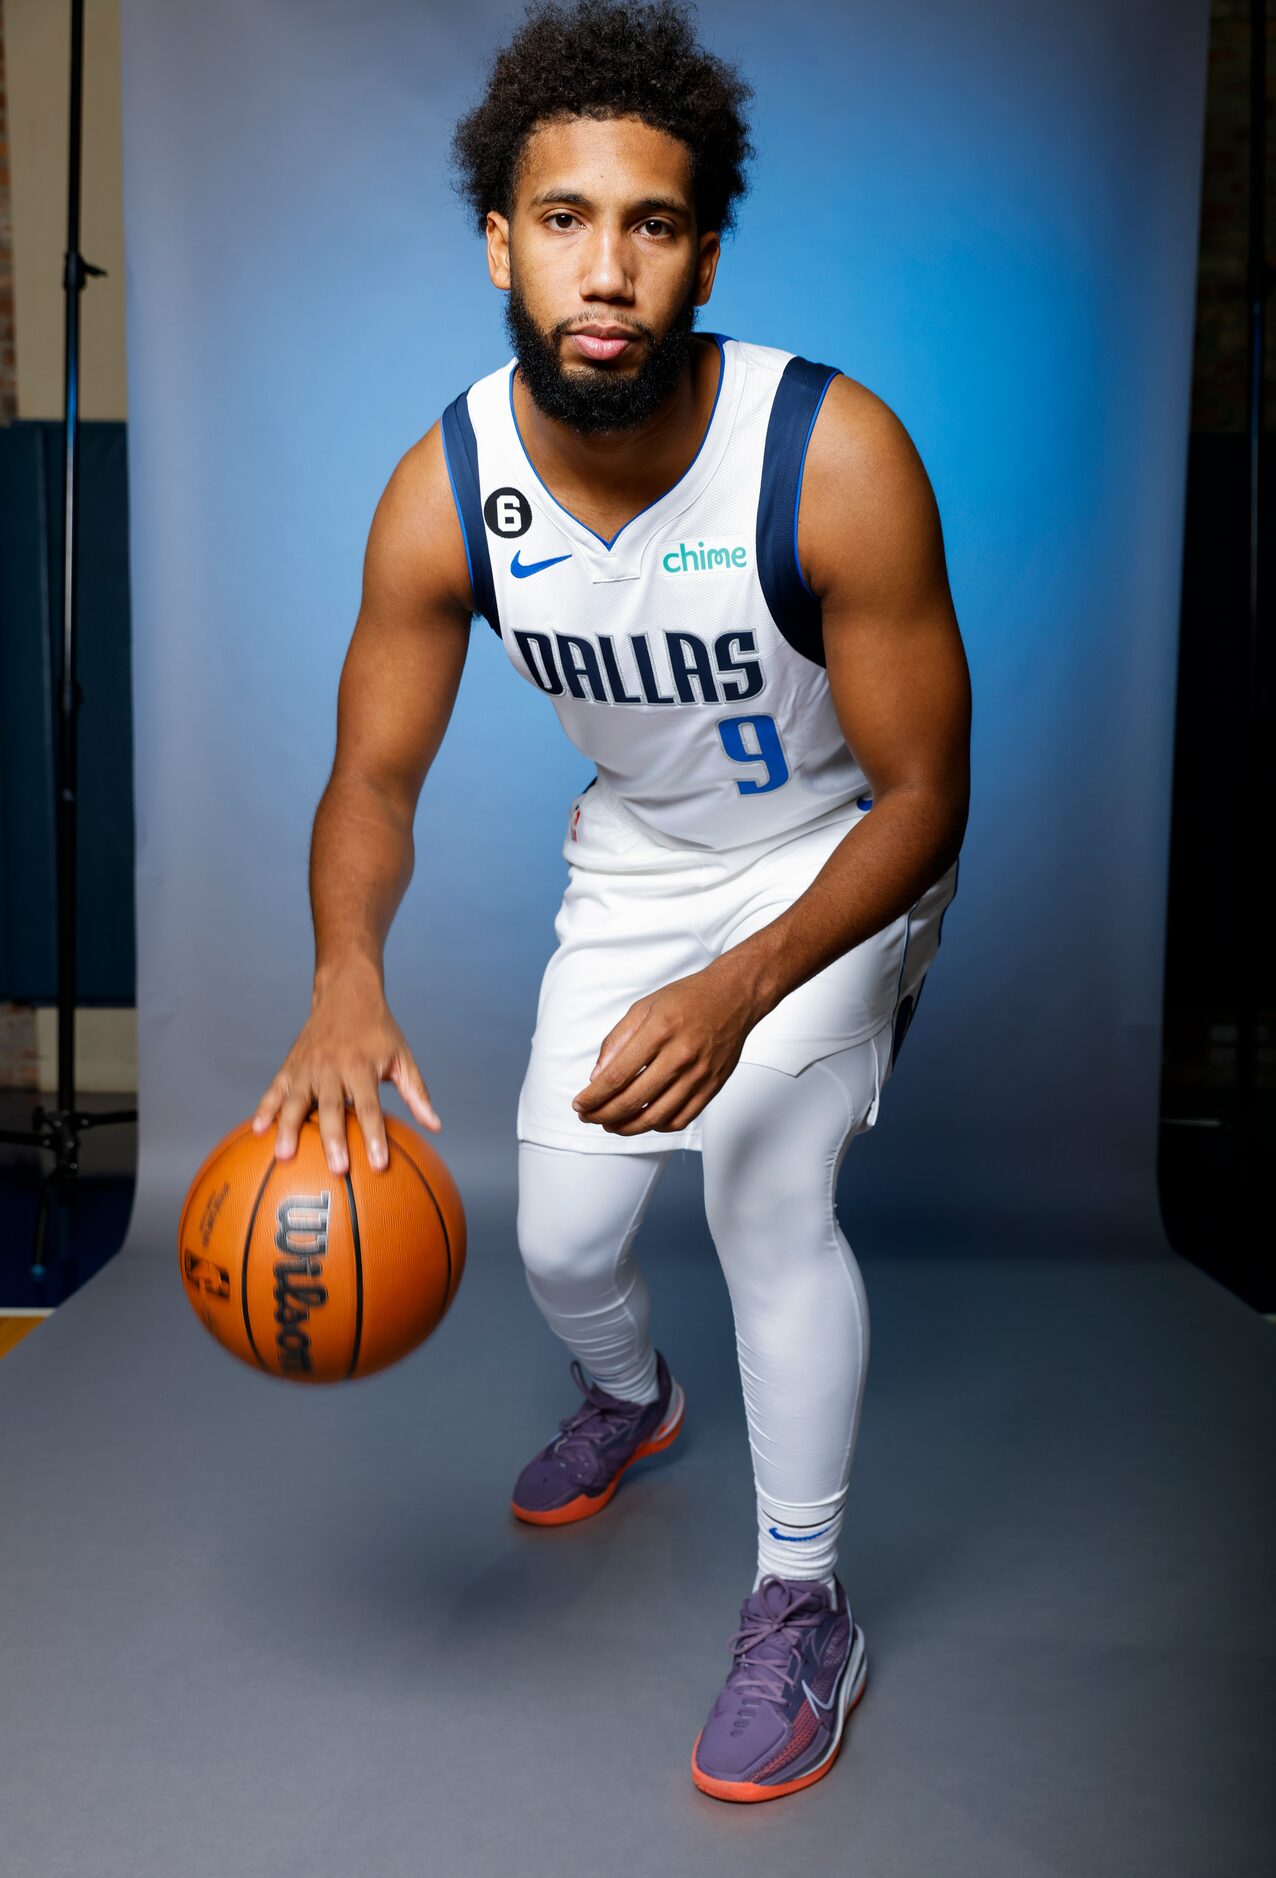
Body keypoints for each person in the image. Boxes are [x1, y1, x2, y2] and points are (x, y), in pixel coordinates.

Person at [252, 0, 970, 1805]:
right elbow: (373, 778)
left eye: (650, 224)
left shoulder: (834, 454)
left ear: (703, 249)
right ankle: (633, 1400)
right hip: (643, 862)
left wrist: (745, 990)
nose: (606, 266)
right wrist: (346, 971)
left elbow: (928, 797)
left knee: (762, 1187)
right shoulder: (449, 489)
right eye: (563, 218)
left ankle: (804, 1601)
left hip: (828, 862)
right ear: (500, 240)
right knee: (564, 1237)